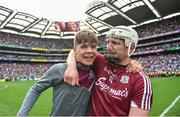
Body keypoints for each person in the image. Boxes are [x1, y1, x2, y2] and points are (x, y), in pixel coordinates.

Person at [64, 26, 153, 116]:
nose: (108, 47)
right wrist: (71, 67)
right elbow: (75, 51)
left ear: (131, 47)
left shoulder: (140, 81)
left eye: (115, 43)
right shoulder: (100, 61)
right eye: (108, 42)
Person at [17, 30, 98, 116]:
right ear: (75, 50)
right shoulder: (59, 69)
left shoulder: (97, 70)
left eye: (93, 47)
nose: (89, 50)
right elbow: (36, 89)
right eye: (84, 47)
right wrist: (22, 114)